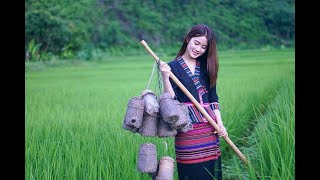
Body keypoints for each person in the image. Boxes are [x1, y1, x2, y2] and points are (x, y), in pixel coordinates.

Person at [159, 24, 228, 180]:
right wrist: (165, 76)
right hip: (187, 129)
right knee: (191, 173)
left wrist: (220, 124)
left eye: (204, 47)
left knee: (212, 173)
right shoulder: (172, 67)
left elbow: (213, 99)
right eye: (196, 43)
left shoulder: (207, 67)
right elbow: (171, 101)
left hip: (210, 129)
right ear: (188, 39)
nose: (198, 49)